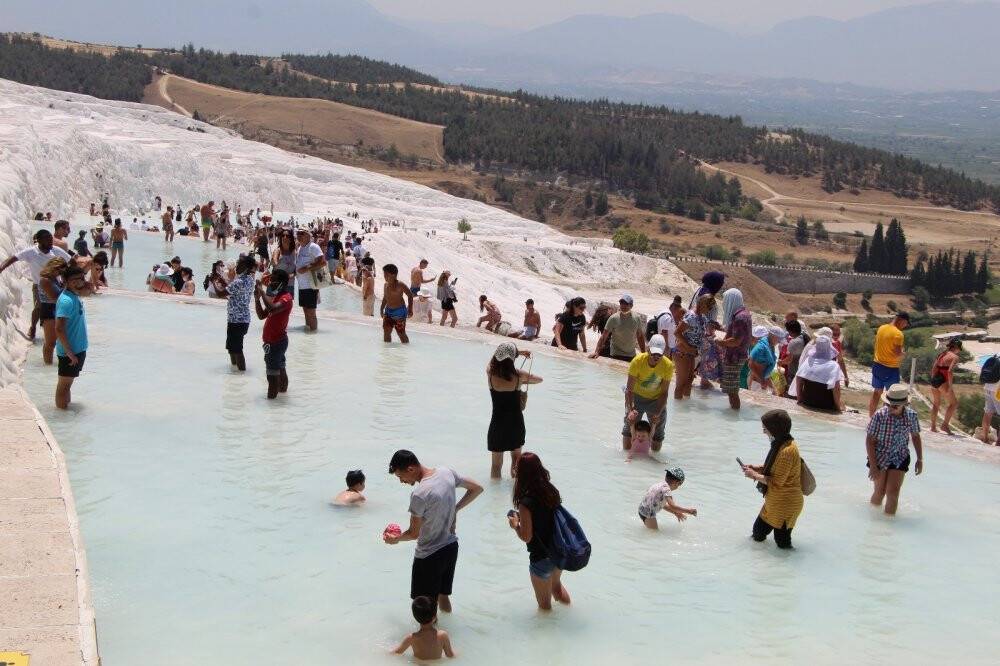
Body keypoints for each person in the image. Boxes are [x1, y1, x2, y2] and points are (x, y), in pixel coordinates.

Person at [385, 450, 484, 613]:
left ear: (410, 469)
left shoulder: (419, 494)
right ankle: (447, 635)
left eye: (400, 477)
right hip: (451, 547)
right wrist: (456, 509)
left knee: (424, 606)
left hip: (429, 555)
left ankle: (430, 637)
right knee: (443, 596)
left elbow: (413, 533)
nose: (401, 481)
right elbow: (477, 488)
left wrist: (395, 539)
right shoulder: (446, 473)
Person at [507, 452, 571, 610]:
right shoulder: (551, 492)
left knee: (544, 606)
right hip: (558, 551)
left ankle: (549, 634)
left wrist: (515, 525)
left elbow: (527, 537)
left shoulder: (526, 503)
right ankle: (569, 611)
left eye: (517, 467)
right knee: (556, 588)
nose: (514, 468)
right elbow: (545, 519)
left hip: (541, 557)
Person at [741, 409, 803, 549]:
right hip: (774, 501)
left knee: (782, 542)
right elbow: (776, 468)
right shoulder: (781, 444)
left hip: (786, 503)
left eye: (765, 429)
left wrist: (754, 475)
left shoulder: (787, 450)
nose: (764, 432)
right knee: (758, 533)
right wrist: (756, 468)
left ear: (775, 429)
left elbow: (776, 481)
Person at [0, 229, 73, 343]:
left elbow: (71, 261)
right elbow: (13, 258)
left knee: (59, 308)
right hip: (39, 285)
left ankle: (56, 332)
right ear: (39, 241)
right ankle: (33, 326)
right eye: (48, 240)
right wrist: (1, 268)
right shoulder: (31, 252)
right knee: (38, 307)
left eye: (51, 240)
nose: (50, 243)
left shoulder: (55, 250)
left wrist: (68, 278)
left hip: (55, 284)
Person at [487, 343, 542, 478]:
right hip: (515, 424)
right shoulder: (519, 375)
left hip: (497, 425)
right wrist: (523, 382)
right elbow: (539, 380)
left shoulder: (490, 373)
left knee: (495, 466)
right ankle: (515, 493)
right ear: (512, 358)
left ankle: (495, 498)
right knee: (517, 462)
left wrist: (518, 352)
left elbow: (492, 359)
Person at [866, 383, 923, 516]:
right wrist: (873, 466)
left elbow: (915, 436)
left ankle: (888, 524)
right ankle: (873, 519)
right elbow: (870, 441)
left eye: (895, 405)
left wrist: (920, 459)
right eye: (889, 404)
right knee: (880, 491)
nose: (891, 407)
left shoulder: (911, 416)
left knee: (893, 492)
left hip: (900, 456)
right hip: (879, 456)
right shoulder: (879, 416)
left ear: (905, 404)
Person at [624, 334, 673, 452]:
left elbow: (664, 393)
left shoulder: (668, 365)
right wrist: (631, 410)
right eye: (654, 353)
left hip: (656, 400)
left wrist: (658, 412)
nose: (656, 357)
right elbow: (629, 389)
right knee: (629, 428)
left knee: (658, 433)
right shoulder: (637, 361)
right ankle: (626, 455)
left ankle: (654, 457)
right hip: (636, 397)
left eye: (659, 354)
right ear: (648, 349)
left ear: (664, 352)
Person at [54, 264, 91, 409]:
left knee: (67, 386)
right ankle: (61, 416)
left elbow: (89, 290)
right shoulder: (66, 301)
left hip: (77, 349)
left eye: (82, 278)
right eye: (76, 279)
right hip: (70, 352)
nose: (81, 281)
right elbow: (59, 328)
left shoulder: (73, 295)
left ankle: (65, 415)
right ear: (67, 281)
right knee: (63, 386)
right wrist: (69, 352)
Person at [254, 268, 293, 399]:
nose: (271, 283)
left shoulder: (286, 299)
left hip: (276, 342)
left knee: (272, 377)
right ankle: (282, 399)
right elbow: (261, 315)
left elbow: (272, 308)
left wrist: (261, 290)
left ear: (282, 282)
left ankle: (271, 406)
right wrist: (257, 299)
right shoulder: (276, 297)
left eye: (274, 280)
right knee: (280, 368)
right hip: (275, 341)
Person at [716, 288, 753, 410]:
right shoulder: (744, 314)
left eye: (726, 300)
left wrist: (720, 342)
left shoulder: (740, 318)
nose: (724, 303)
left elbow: (736, 341)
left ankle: (734, 414)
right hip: (738, 356)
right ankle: (733, 412)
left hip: (734, 357)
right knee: (731, 388)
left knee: (732, 390)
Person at [673, 294, 714, 400]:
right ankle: (678, 408)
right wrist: (689, 347)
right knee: (681, 383)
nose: (710, 309)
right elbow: (677, 333)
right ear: (702, 304)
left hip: (691, 353)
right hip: (682, 352)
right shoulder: (691, 316)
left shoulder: (702, 318)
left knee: (689, 380)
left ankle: (684, 409)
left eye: (711, 307)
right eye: (708, 306)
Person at [790, 335, 846, 412]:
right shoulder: (834, 366)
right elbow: (836, 389)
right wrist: (838, 408)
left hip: (807, 402)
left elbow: (799, 379)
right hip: (826, 405)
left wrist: (799, 399)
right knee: (843, 405)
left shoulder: (808, 361)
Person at [869, 312, 910, 416]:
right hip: (890, 368)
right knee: (890, 397)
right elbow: (897, 353)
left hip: (877, 365)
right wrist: (903, 354)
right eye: (906, 323)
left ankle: (871, 417)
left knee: (876, 392)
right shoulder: (898, 334)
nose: (905, 326)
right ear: (901, 320)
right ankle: (884, 419)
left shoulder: (881, 328)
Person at [690, 271, 725, 389]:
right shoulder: (709, 299)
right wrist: (714, 330)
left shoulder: (700, 291)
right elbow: (707, 320)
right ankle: (703, 380)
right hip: (704, 333)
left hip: (695, 331)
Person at [221, 255, 256, 371]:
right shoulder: (250, 279)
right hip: (242, 319)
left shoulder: (239, 281)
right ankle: (235, 372)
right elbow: (234, 293)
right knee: (232, 348)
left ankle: (241, 374)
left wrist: (214, 282)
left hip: (236, 320)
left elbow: (221, 294)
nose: (236, 266)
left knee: (237, 349)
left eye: (239, 264)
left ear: (245, 266)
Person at [590, 294, 645, 362]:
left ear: (631, 306)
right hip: (616, 354)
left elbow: (640, 336)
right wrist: (597, 352)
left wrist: (643, 354)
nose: (623, 306)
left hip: (631, 354)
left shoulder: (637, 318)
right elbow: (604, 336)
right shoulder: (613, 318)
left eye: (626, 304)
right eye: (621, 303)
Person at [294, 229, 324, 331]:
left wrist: (306, 268)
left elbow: (322, 262)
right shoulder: (300, 248)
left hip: (311, 285)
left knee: (311, 313)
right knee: (305, 311)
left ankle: (313, 333)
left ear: (308, 235)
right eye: (298, 233)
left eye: (302, 233)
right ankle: (308, 334)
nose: (299, 235)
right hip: (302, 285)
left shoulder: (313, 247)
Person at [930, 338, 961, 434]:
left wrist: (933, 380)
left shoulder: (941, 355)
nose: (959, 350)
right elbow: (950, 371)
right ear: (956, 347)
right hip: (944, 382)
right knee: (954, 403)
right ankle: (944, 425)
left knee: (936, 404)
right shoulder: (954, 357)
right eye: (959, 348)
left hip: (935, 380)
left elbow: (933, 369)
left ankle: (933, 427)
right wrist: (950, 386)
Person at [380, 264, 414, 343]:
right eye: (384, 274)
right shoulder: (385, 285)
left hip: (399, 312)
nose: (384, 276)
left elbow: (410, 295)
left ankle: (405, 351)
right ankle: (386, 352)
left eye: (386, 274)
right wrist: (381, 308)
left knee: (401, 333)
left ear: (394, 275)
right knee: (386, 332)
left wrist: (410, 309)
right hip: (388, 311)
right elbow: (385, 298)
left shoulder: (400, 285)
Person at [748, 326, 787, 394]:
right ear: (773, 336)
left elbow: (766, 370)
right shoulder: (761, 347)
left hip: (763, 381)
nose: (778, 342)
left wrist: (772, 387)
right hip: (757, 383)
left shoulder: (771, 347)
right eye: (778, 340)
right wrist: (762, 380)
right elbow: (750, 364)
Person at [778, 319, 806, 395]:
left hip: (794, 371)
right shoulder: (805, 337)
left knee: (791, 392)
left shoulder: (794, 342)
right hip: (803, 370)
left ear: (790, 331)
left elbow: (789, 359)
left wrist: (780, 362)